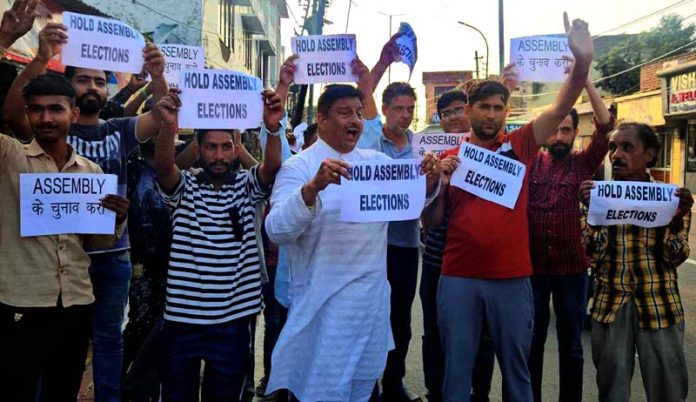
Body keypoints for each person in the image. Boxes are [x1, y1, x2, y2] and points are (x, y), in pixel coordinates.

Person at [422, 14, 594, 402]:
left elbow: (561, 105)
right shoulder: (449, 156)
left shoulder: (519, 146)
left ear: (505, 110)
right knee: (457, 372)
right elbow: (431, 223)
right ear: (469, 109)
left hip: (513, 279)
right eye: (484, 107)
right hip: (459, 277)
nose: (492, 114)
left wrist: (581, 62)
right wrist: (436, 182)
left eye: (499, 107)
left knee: (517, 373)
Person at [2, 21, 168, 402]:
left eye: (99, 81)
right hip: (32, 282)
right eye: (83, 80)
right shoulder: (22, 149)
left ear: (73, 113)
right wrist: (34, 53)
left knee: (84, 357)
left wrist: (156, 77)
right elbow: (13, 110)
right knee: (26, 371)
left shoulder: (108, 147)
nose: (47, 118)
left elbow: (160, 118)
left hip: (93, 273)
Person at [264, 79, 441, 401]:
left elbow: (416, 205)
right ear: (321, 118)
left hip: (368, 310)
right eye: (345, 113)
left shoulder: (378, 165)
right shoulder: (299, 167)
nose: (355, 121)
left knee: (362, 390)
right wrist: (311, 189)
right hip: (322, 310)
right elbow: (276, 230)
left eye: (359, 113)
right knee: (319, 389)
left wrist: (429, 181)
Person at [0, 73, 130, 402]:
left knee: (63, 388)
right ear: (26, 113)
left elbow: (94, 243)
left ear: (72, 114)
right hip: (22, 301)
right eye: (37, 110)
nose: (46, 118)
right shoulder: (9, 158)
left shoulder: (91, 173)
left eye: (55, 109)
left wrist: (116, 219)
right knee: (17, 387)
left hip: (76, 302)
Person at [153, 87, 282, 401]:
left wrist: (273, 127)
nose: (219, 155)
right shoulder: (184, 186)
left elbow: (271, 168)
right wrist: (169, 126)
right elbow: (163, 169)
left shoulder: (246, 185)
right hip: (182, 319)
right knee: (175, 395)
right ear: (198, 149)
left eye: (226, 147)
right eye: (211, 147)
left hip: (234, 321)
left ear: (236, 149)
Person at [579, 123, 692, 402]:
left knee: (668, 389)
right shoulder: (597, 197)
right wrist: (592, 215)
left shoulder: (671, 199)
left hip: (659, 305)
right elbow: (590, 253)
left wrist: (675, 218)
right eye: (613, 148)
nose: (616, 155)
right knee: (611, 391)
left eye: (627, 147)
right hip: (610, 306)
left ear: (650, 155)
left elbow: (675, 256)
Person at [527, 69, 614, 402]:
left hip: (572, 272)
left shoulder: (584, 164)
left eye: (566, 130)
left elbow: (606, 127)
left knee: (571, 346)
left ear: (576, 133)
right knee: (532, 344)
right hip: (533, 270)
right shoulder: (529, 163)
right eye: (555, 130)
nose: (559, 136)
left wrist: (586, 78)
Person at [358, 36, 422, 400]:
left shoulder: (420, 147)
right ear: (384, 108)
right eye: (398, 108)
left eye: (410, 109)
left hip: (405, 244)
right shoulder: (367, 140)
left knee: (401, 318)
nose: (405, 115)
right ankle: (368, 384)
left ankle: (394, 381)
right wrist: (381, 63)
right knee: (369, 315)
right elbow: (363, 94)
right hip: (369, 244)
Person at [420, 89, 494, 402]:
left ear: (468, 111)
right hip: (437, 258)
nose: (453, 117)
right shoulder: (428, 153)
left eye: (457, 110)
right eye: (445, 113)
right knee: (434, 330)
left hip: (477, 260)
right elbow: (425, 214)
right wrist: (431, 178)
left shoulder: (490, 149)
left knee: (482, 332)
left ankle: (480, 391)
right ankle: (436, 390)